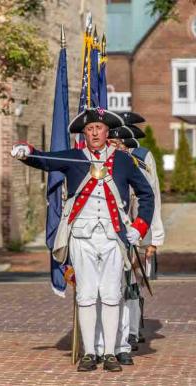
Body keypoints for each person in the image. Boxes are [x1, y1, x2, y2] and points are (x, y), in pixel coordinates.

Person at [11, 107, 154, 372]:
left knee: (112, 294)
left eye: (98, 128)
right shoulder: (74, 157)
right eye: (89, 129)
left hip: (113, 236)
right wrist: (25, 151)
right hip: (81, 236)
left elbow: (146, 194)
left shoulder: (123, 161)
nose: (94, 133)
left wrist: (140, 226)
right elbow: (45, 159)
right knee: (87, 294)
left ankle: (110, 353)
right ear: (84, 134)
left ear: (107, 131)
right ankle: (90, 353)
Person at [96, 118, 164, 365]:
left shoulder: (140, 159)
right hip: (109, 231)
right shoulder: (102, 160)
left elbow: (151, 195)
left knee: (132, 282)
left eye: (116, 140)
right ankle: (109, 338)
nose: (113, 144)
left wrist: (153, 238)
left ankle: (131, 331)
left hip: (136, 229)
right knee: (112, 286)